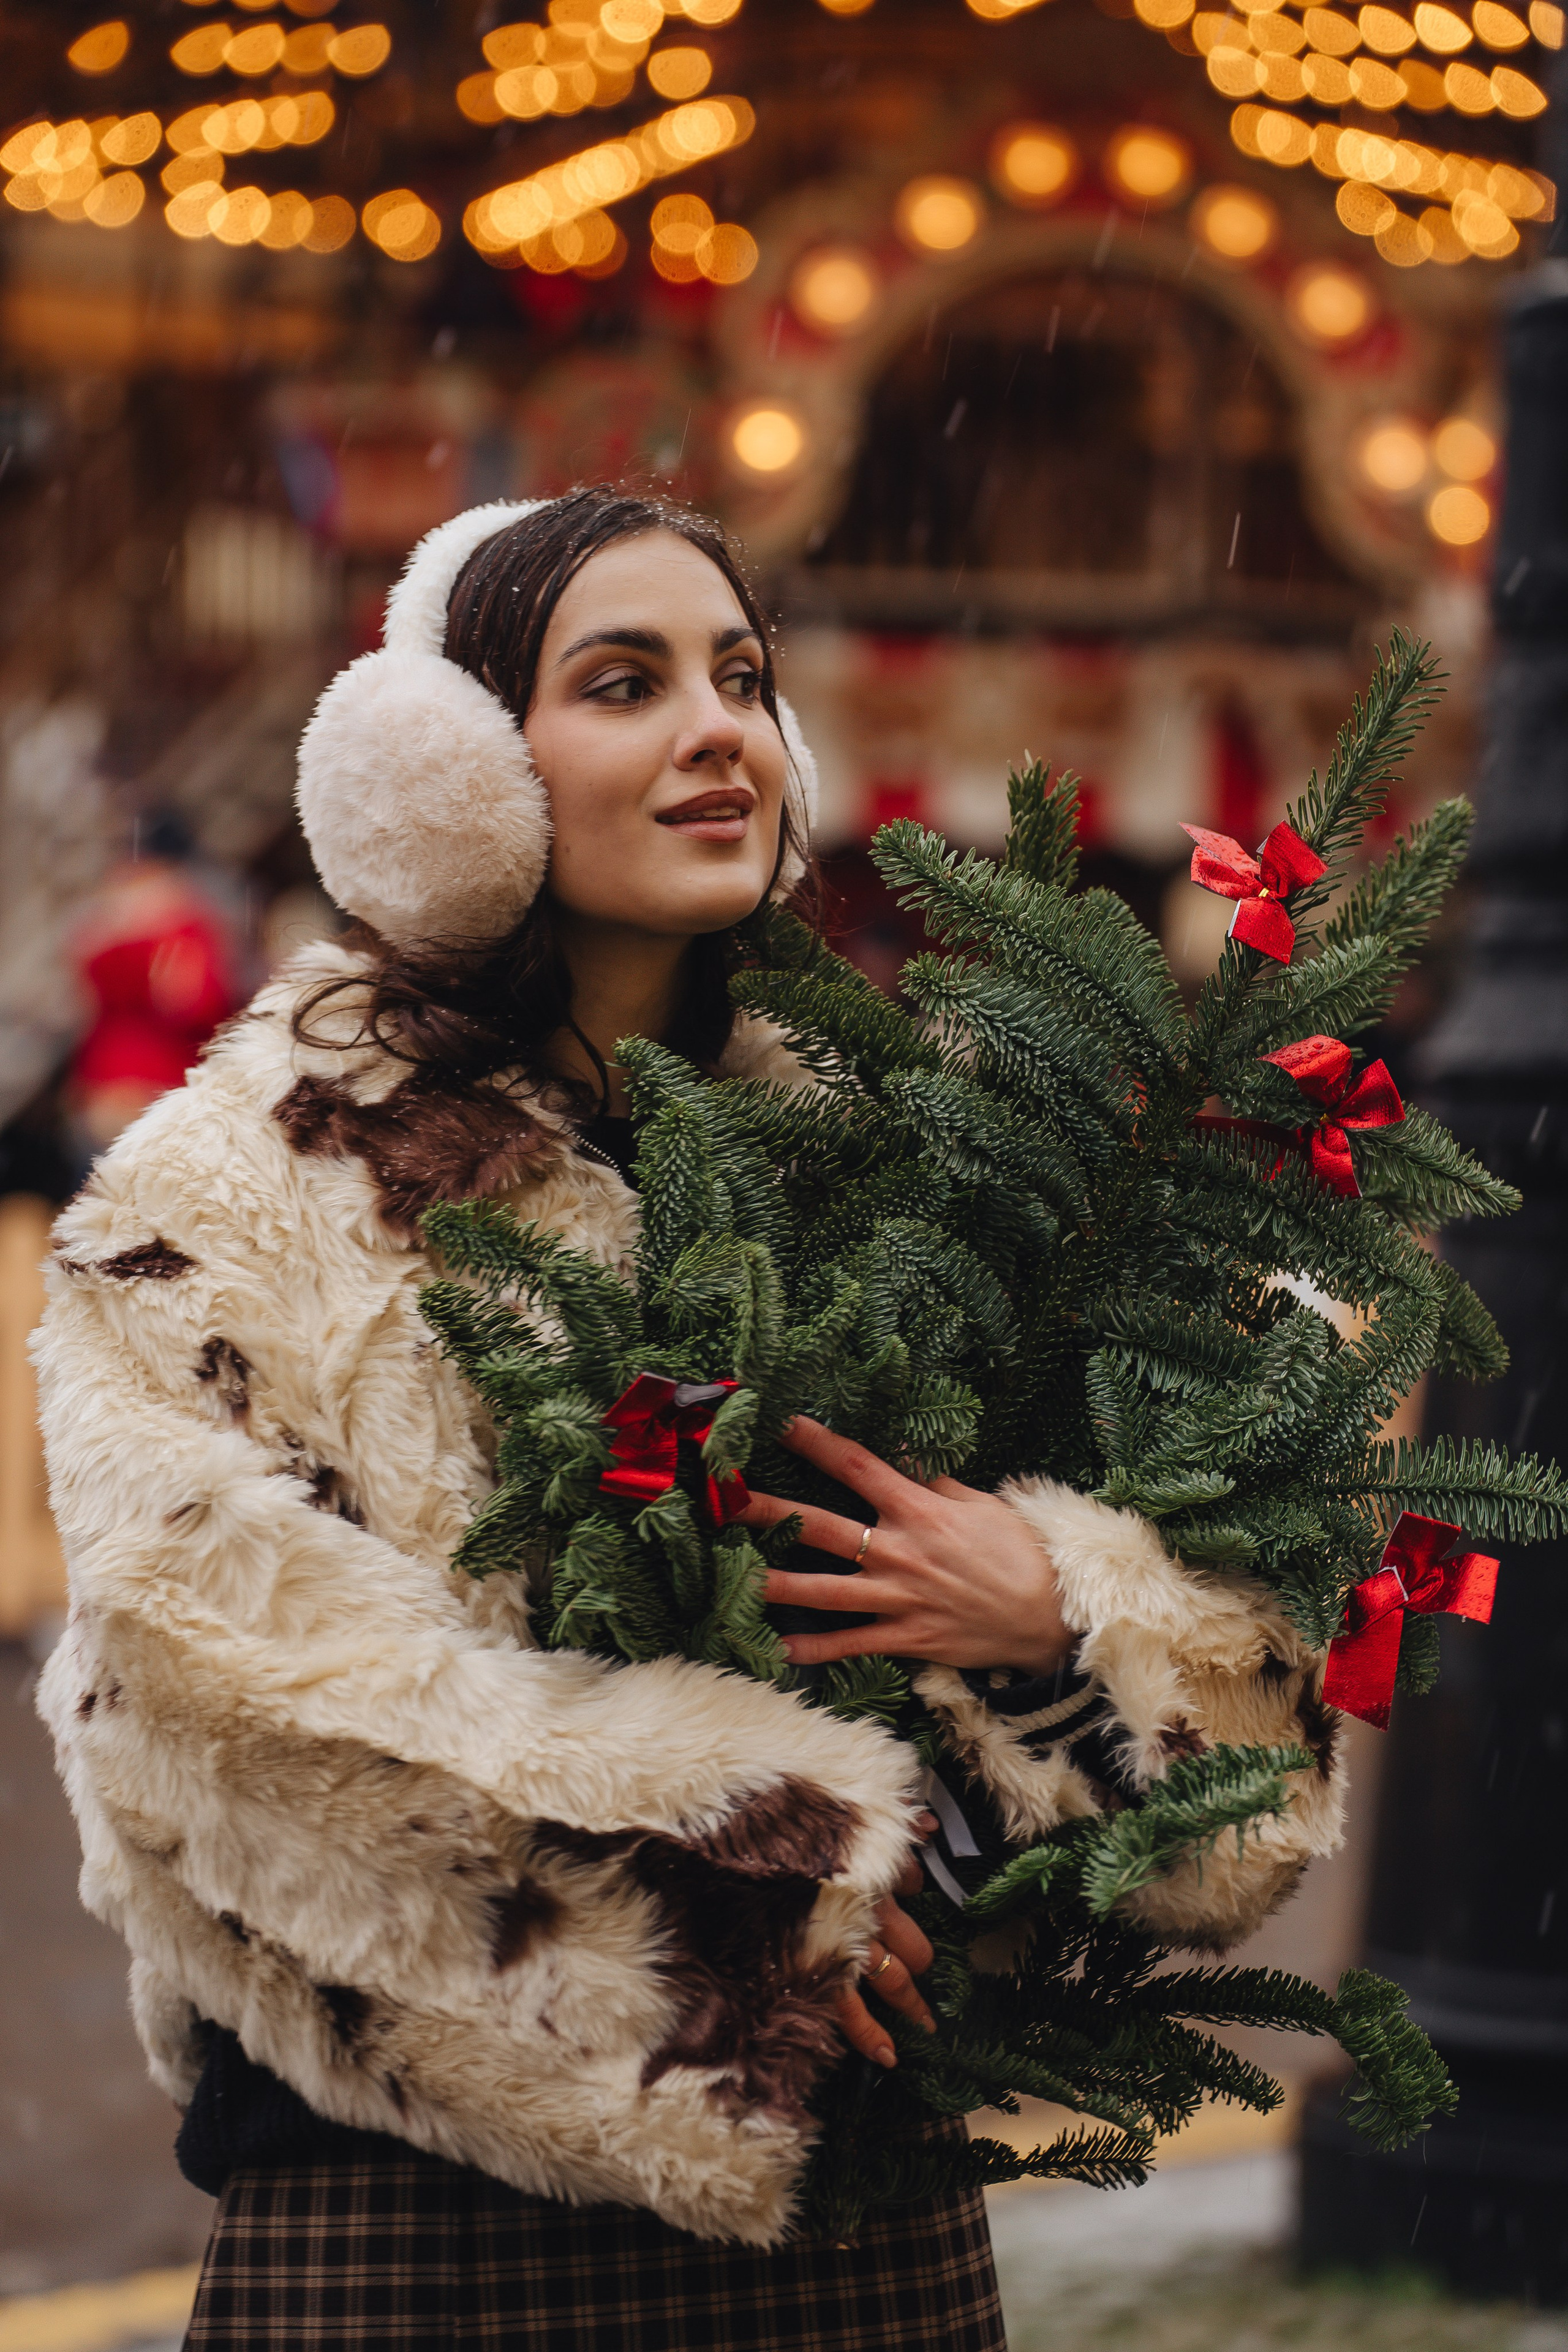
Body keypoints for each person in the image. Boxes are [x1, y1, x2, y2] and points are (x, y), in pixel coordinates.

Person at [35, 488, 1344, 2350]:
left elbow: (1234, 1714)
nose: (717, 726)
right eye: (625, 682)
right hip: (415, 2225)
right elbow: (205, 1702)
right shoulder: (226, 1200)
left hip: (858, 2227)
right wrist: (758, 1890)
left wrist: (1064, 1609)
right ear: (450, 772)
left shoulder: (906, 1165)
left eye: (740, 675)